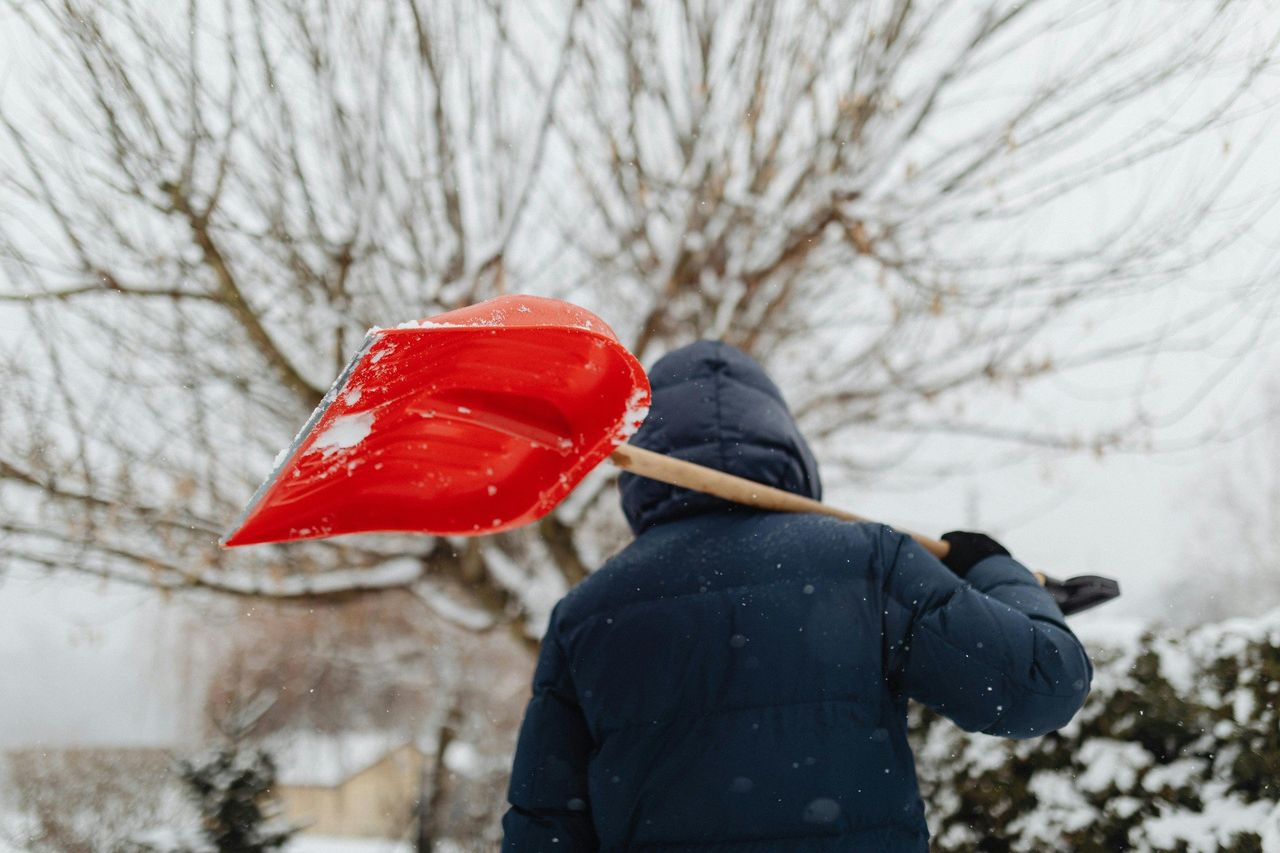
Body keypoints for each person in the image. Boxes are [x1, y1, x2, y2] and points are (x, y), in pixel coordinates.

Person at [501, 341, 1092, 852]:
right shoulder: (866, 563)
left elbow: (544, 828)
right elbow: (1042, 684)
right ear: (785, 443)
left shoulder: (586, 614)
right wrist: (991, 568)